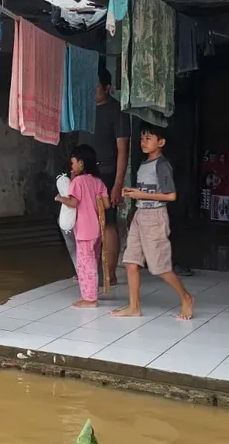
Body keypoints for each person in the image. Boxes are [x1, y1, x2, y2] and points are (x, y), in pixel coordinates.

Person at [113, 123, 196, 320]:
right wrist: (133, 193)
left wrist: (140, 194)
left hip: (155, 218)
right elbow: (148, 191)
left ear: (161, 142)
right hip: (140, 216)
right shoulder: (144, 164)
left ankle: (186, 297)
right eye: (142, 138)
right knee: (131, 262)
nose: (144, 142)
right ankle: (134, 307)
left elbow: (171, 196)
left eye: (148, 138)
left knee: (159, 267)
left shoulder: (162, 165)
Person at [79, 66, 130, 290]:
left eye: (97, 87)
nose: (92, 91)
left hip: (106, 172)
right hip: (84, 173)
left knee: (108, 222)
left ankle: (110, 274)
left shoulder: (116, 111)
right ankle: (88, 270)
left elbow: (122, 149)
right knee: (84, 222)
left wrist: (118, 184)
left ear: (107, 88)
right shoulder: (83, 108)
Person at [55, 144, 110, 308]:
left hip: (84, 231)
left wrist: (59, 198)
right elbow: (106, 204)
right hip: (97, 230)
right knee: (92, 260)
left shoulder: (78, 181)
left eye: (73, 163)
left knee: (86, 265)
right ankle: (91, 294)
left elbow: (73, 202)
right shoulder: (97, 181)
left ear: (81, 163)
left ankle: (90, 298)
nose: (71, 166)